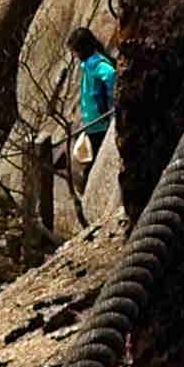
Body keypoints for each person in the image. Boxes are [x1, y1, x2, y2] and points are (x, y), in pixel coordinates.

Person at [59, 27, 119, 225]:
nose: (74, 55)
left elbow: (111, 76)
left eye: (75, 50)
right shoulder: (88, 65)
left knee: (91, 167)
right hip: (92, 124)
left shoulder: (97, 64)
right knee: (84, 162)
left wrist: (110, 104)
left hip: (100, 124)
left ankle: (93, 213)